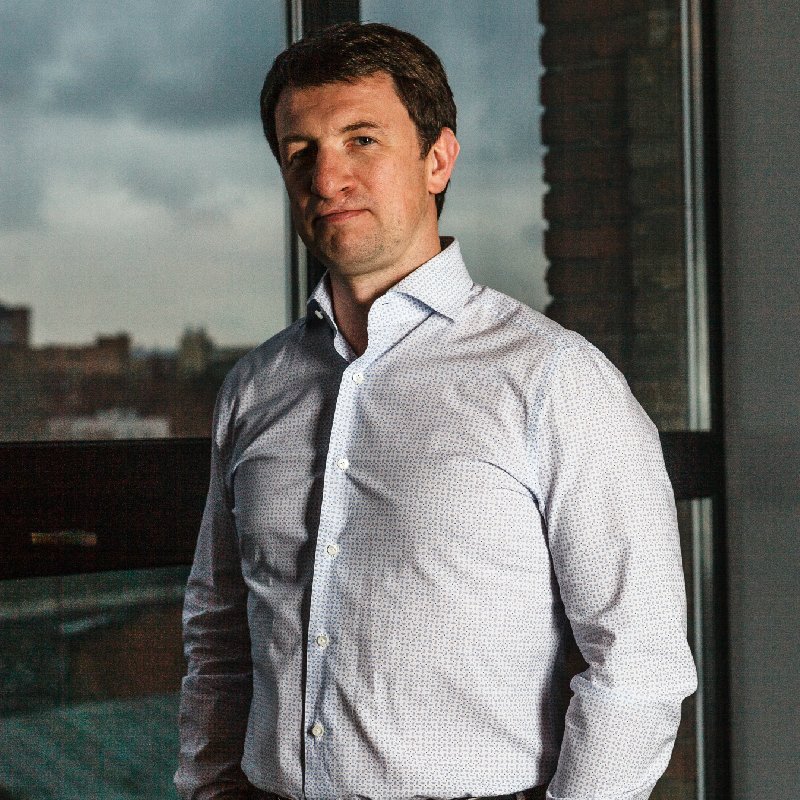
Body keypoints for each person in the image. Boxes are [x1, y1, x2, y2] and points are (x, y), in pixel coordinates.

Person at [175, 22, 697, 800]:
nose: (327, 178)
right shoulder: (256, 387)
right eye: (300, 152)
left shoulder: (556, 380)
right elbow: (218, 636)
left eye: (361, 141)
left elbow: (639, 664)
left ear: (438, 159)